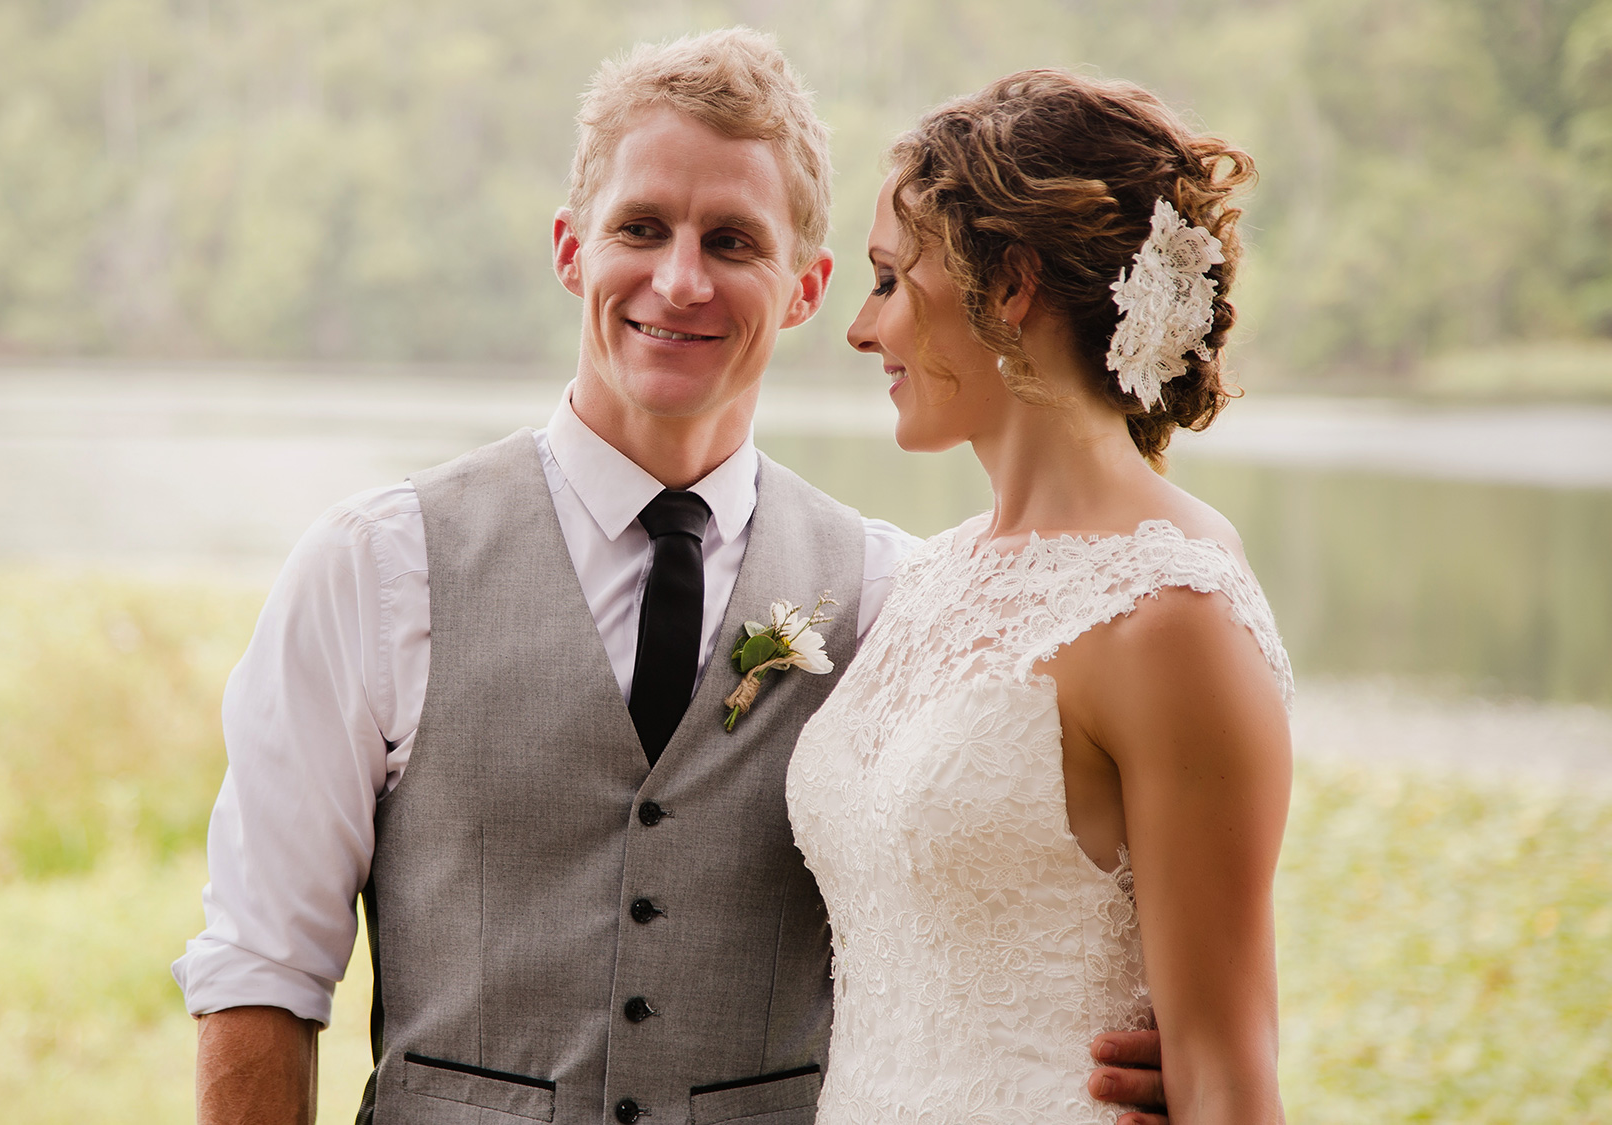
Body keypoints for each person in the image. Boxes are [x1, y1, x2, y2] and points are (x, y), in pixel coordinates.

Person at [173, 33, 1170, 1125]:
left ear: (802, 288)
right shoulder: (373, 569)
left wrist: (1130, 1048)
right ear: (569, 251)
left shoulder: (895, 597)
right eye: (640, 229)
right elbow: (262, 975)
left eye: (732, 242)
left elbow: (985, 888)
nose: (680, 280)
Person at [787, 69, 1294, 1125]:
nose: (859, 329)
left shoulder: (1172, 615)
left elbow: (1226, 1080)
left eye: (886, 279)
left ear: (1008, 282)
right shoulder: (925, 577)